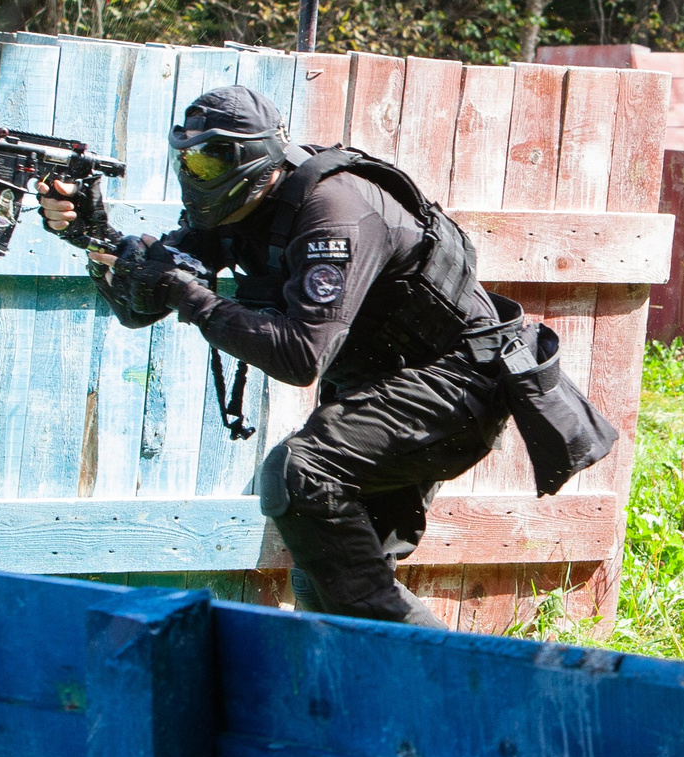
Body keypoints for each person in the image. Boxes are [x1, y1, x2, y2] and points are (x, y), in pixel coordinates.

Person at [36, 85, 615, 626]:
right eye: (185, 162)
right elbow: (145, 302)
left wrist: (191, 296)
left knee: (302, 474)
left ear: (251, 160)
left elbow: (299, 357)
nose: (193, 176)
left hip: (456, 384)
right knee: (328, 586)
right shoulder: (241, 210)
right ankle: (372, 705)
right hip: (382, 388)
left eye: (207, 163)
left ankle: (442, 666)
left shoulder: (332, 210)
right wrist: (95, 239)